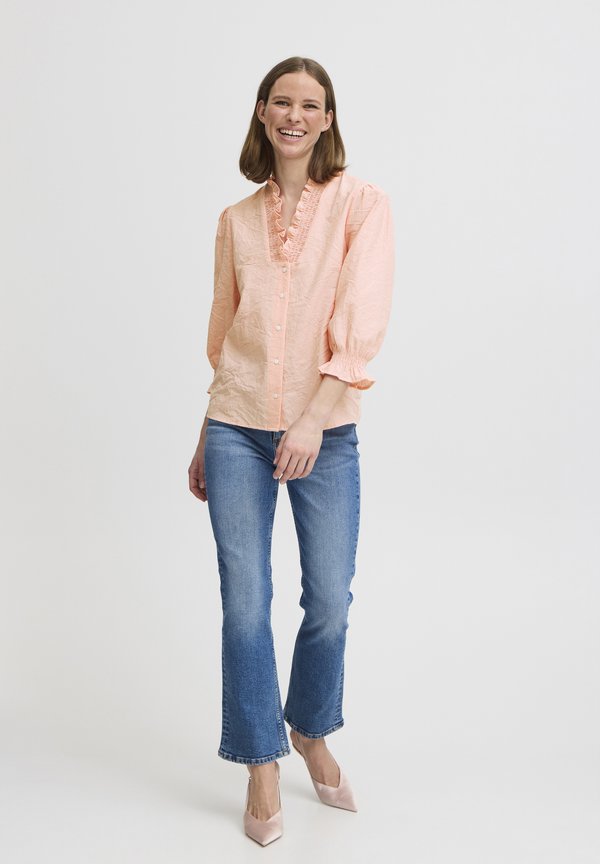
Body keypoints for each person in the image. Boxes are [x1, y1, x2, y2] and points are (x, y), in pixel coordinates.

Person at [188, 56, 395, 846]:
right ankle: (261, 763)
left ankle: (308, 727)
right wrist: (206, 432)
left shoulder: (361, 206)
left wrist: (311, 421)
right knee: (245, 600)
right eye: (282, 101)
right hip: (235, 425)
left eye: (310, 104)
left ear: (328, 118)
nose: (294, 116)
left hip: (325, 429)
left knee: (331, 597)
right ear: (262, 111)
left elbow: (361, 324)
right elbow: (225, 336)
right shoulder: (235, 221)